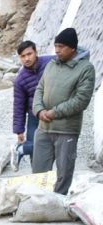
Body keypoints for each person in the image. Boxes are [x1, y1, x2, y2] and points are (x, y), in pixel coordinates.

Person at [32, 28, 95, 195]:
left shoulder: (86, 68)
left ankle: (57, 205)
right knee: (39, 173)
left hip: (66, 130)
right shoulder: (51, 64)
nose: (57, 50)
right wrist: (39, 111)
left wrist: (54, 113)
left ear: (72, 48)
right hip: (43, 127)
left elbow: (81, 100)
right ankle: (37, 204)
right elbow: (39, 89)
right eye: (55, 46)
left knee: (63, 174)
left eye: (61, 46)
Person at [11, 41, 52, 171]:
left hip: (54, 111)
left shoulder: (51, 62)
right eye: (23, 56)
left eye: (29, 54)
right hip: (34, 116)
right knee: (35, 151)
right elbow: (19, 106)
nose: (27, 58)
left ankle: (21, 149)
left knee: (51, 146)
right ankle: (37, 179)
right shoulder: (20, 80)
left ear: (36, 52)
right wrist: (19, 130)